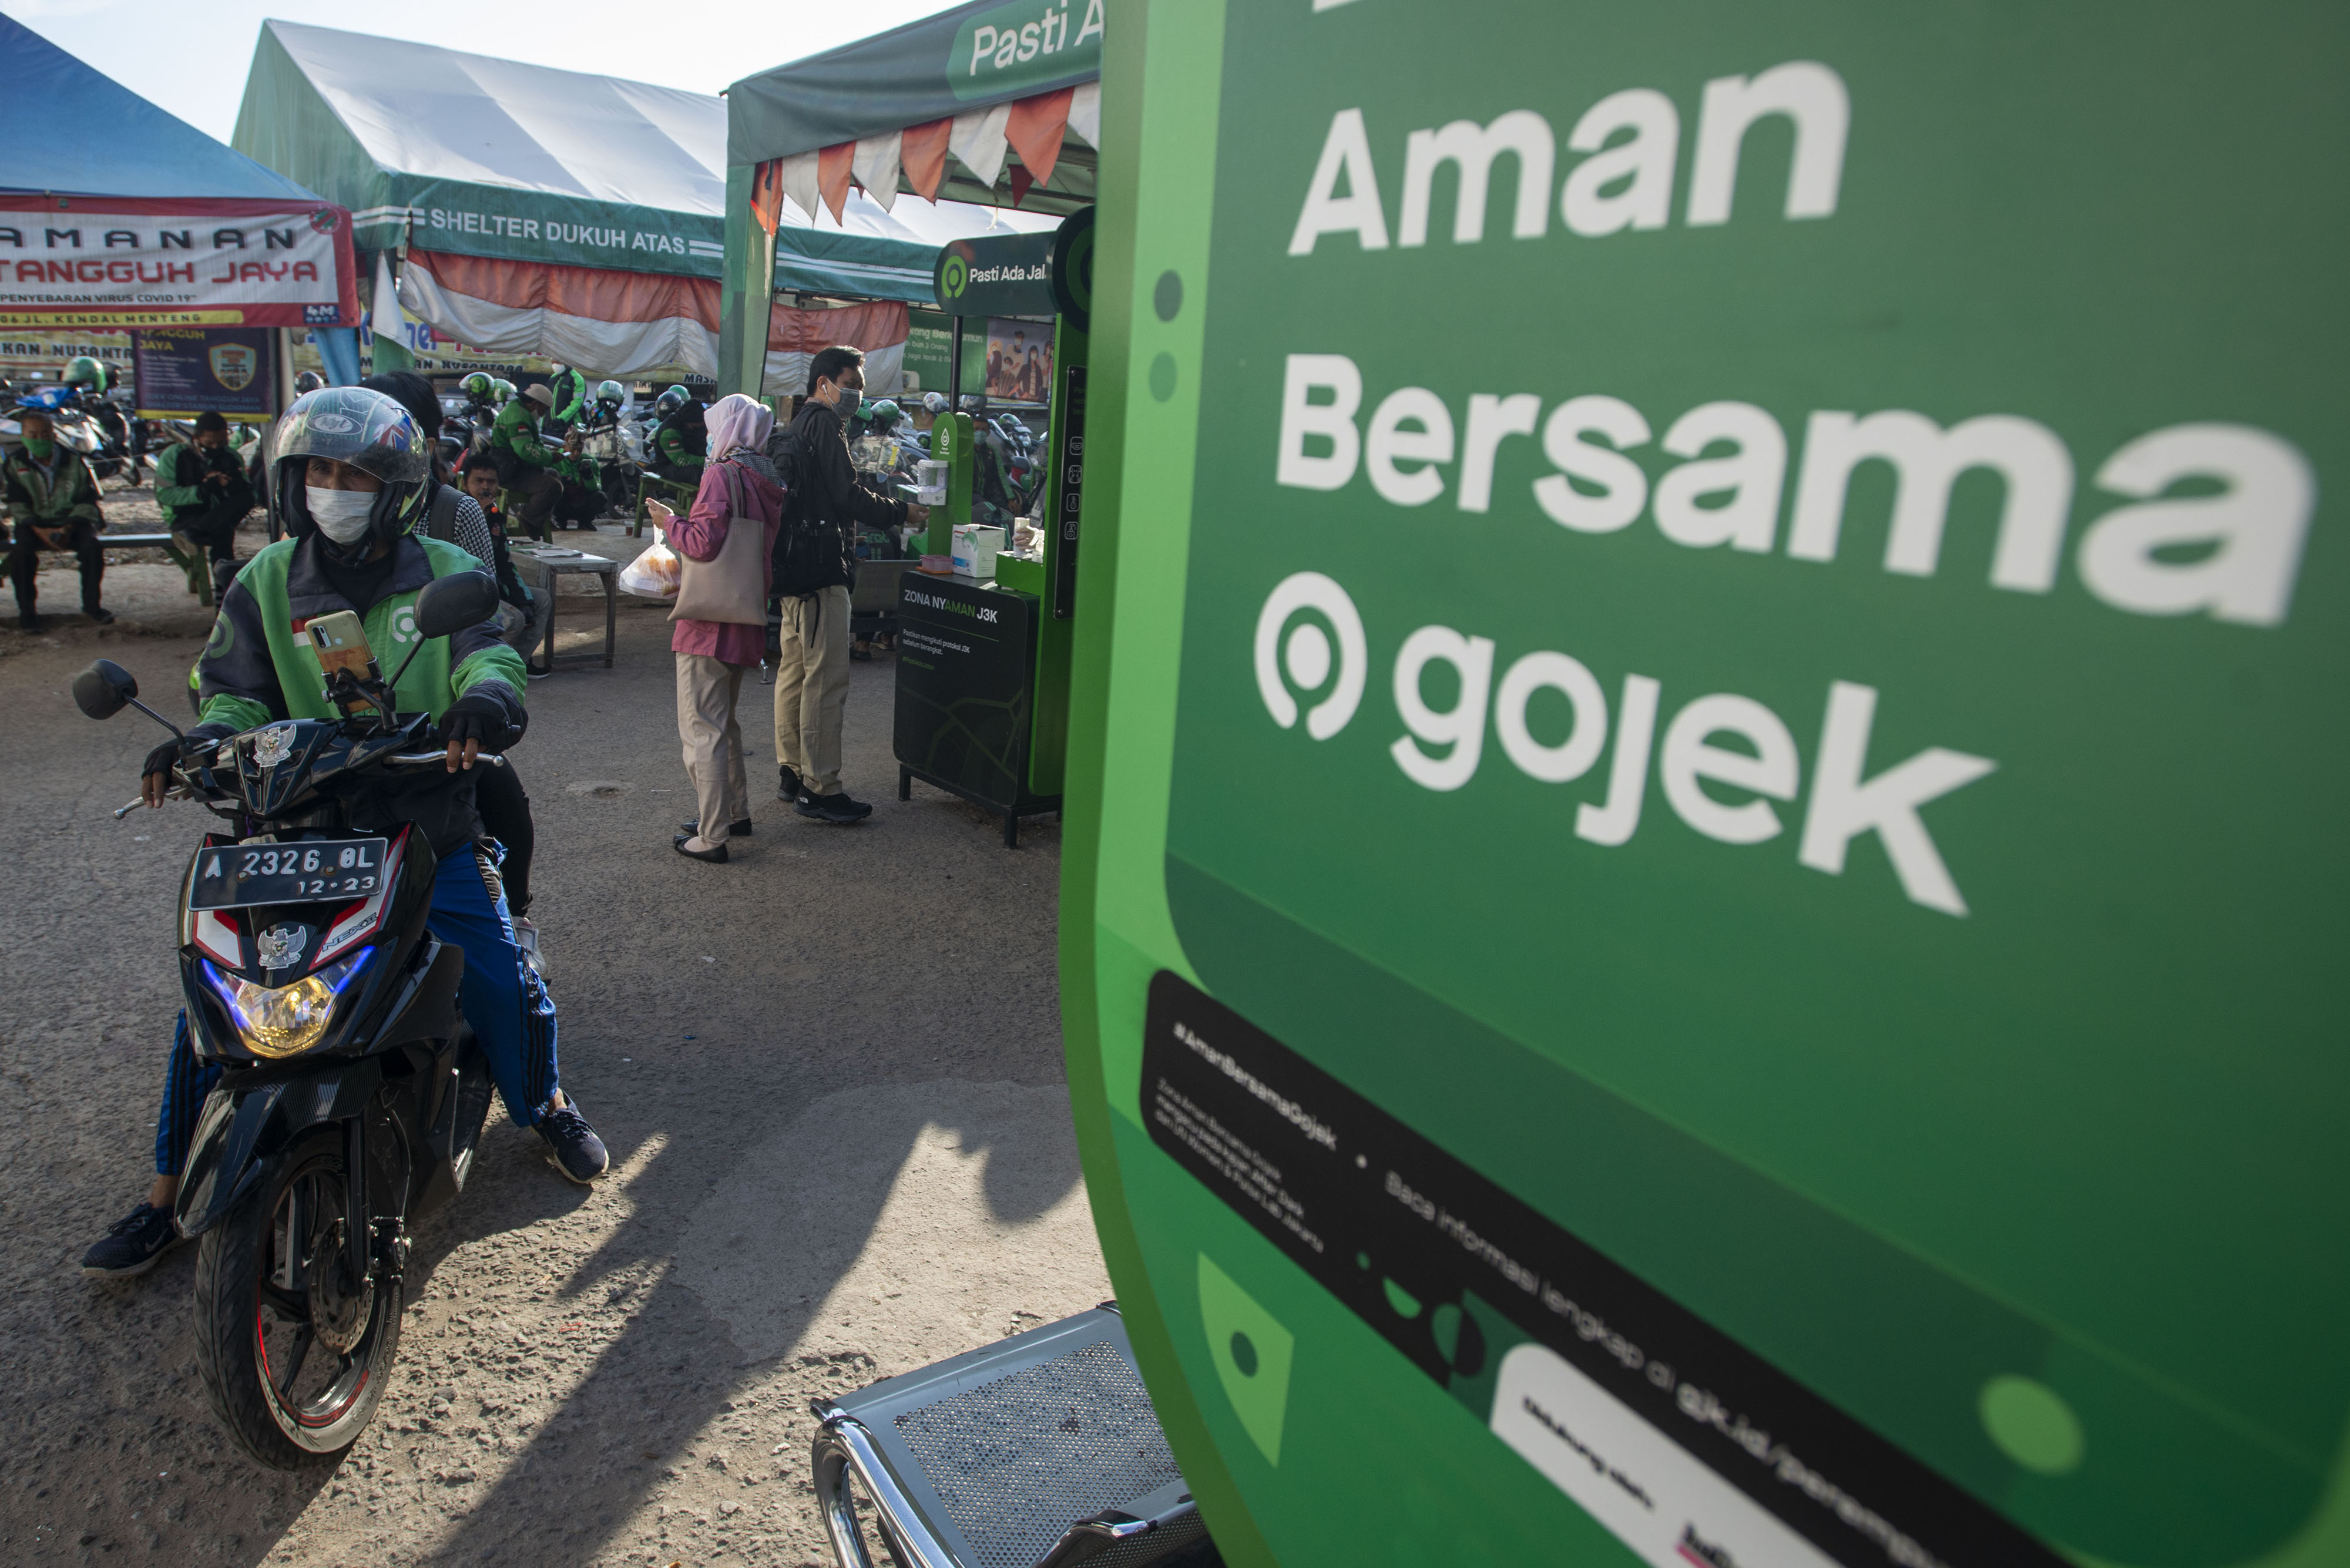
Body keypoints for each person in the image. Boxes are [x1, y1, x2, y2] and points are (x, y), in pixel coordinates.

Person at [78, 385, 605, 1278]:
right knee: (211, 1003)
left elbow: (489, 647)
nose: (336, 486)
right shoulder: (267, 578)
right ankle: (165, 1198)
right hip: (293, 830)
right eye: (319, 470)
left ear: (396, 483)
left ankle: (544, 1101)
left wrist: (483, 697)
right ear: (292, 481)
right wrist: (210, 737)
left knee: (497, 973)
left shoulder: (443, 566)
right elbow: (233, 685)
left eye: (356, 472)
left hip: (422, 820)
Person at [766, 345, 926, 823]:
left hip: (796, 573)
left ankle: (792, 771)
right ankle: (821, 786)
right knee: (826, 679)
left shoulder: (797, 427)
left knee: (794, 673)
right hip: (822, 571)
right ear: (824, 384)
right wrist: (903, 511)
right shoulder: (826, 427)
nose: (857, 393)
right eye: (851, 384)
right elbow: (846, 494)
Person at [662, 394, 785, 863]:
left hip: (707, 622)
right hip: (745, 618)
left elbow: (701, 541)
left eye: (714, 426)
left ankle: (712, 835)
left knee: (703, 730)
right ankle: (735, 812)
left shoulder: (721, 473)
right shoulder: (766, 478)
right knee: (725, 725)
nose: (709, 434)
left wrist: (668, 520)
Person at [4, 405, 112, 630]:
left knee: (92, 548)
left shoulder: (75, 462)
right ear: (23, 437)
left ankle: (93, 607)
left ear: (54, 434)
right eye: (33, 435)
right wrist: (41, 531)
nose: (39, 439)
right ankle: (28, 614)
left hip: (72, 522)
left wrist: (68, 528)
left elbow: (87, 500)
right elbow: (17, 504)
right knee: (21, 555)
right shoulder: (15, 464)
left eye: (44, 433)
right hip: (34, 525)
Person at [461, 451, 552, 668]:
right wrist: (479, 515)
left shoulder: (495, 518)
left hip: (495, 586)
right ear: (465, 484)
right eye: (479, 481)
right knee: (515, 619)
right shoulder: (459, 511)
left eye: (491, 482)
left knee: (541, 600)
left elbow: (505, 563)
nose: (485, 487)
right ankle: (486, 667)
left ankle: (517, 665)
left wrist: (524, 599)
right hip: (467, 590)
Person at [152, 411, 256, 598]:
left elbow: (247, 491)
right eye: (210, 444)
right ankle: (225, 594)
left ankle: (223, 594)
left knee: (246, 498)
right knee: (223, 534)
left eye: (221, 442)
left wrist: (232, 484)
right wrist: (202, 490)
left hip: (215, 518)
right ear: (196, 438)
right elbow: (165, 495)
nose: (216, 447)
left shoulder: (231, 456)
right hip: (185, 517)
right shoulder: (174, 456)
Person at [489, 381, 566, 540]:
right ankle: (528, 518)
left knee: (554, 474)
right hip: (509, 471)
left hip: (515, 466)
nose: (543, 415)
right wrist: (551, 457)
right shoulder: (518, 417)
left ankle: (540, 519)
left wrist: (547, 455)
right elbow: (525, 451)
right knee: (552, 486)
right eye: (543, 410)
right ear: (533, 404)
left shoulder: (519, 411)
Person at [650, 386, 706, 486]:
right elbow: (680, 460)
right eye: (696, 426)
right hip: (668, 467)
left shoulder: (690, 426)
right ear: (689, 422)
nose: (699, 429)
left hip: (688, 460)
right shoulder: (669, 432)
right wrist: (706, 462)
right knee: (699, 474)